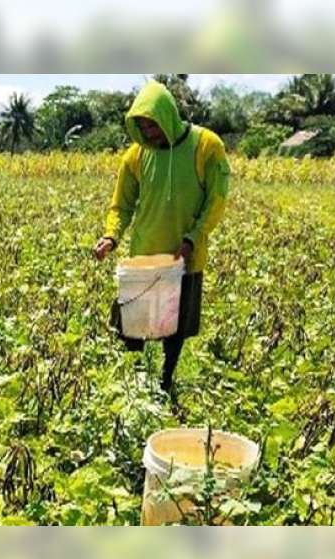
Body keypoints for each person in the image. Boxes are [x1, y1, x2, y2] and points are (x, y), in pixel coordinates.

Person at [94, 79, 230, 394]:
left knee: (175, 329)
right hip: (144, 257)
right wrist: (111, 236)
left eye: (153, 126)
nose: (149, 133)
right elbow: (122, 205)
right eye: (142, 127)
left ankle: (165, 383)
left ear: (167, 116)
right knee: (130, 329)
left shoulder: (206, 146)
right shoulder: (136, 155)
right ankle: (135, 386)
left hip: (185, 258)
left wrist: (193, 238)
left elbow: (217, 201)